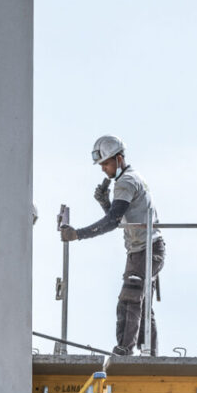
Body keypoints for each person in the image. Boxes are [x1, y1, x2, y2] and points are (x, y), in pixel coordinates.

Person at [60, 135, 166, 356]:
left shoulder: (125, 182)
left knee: (130, 297)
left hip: (147, 250)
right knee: (141, 302)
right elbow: (120, 217)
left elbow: (112, 222)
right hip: (143, 250)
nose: (103, 170)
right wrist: (105, 202)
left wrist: (77, 234)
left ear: (119, 159)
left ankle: (125, 350)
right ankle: (151, 354)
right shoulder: (129, 178)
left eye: (106, 164)